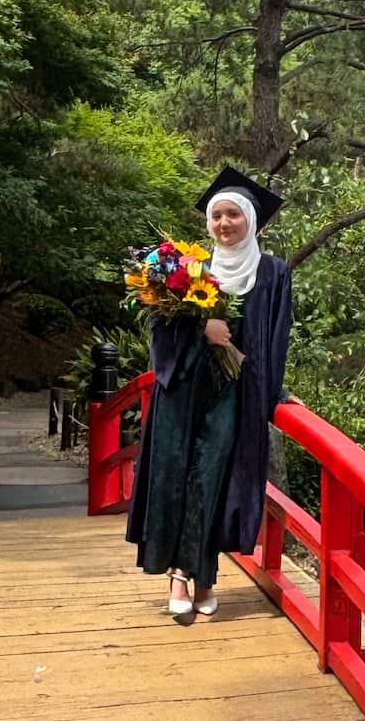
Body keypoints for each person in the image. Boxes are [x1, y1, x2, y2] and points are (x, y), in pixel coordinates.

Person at [126, 166, 298, 623]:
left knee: (213, 480)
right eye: (216, 215)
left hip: (233, 395)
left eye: (233, 216)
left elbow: (275, 337)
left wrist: (273, 392)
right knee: (176, 475)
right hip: (183, 388)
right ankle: (182, 576)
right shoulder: (189, 268)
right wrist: (203, 327)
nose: (224, 224)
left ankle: (202, 573)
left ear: (252, 221)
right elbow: (159, 330)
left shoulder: (273, 273)